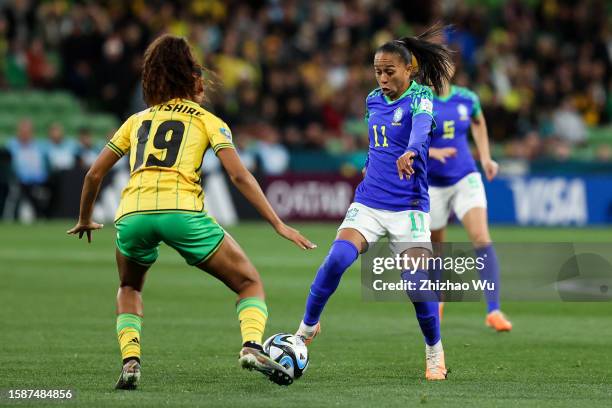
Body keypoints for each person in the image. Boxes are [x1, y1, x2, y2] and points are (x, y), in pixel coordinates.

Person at [67, 34, 315, 389]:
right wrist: (277, 223)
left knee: (128, 286)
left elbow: (94, 173)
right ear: (192, 78)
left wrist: (84, 217)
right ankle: (250, 346)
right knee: (248, 283)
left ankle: (131, 361)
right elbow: (238, 175)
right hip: (181, 212)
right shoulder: (207, 120)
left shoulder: (137, 120)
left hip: (133, 214)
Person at [295, 25, 453, 381]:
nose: (382, 78)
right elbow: (378, 143)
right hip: (369, 201)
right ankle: (306, 329)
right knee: (336, 259)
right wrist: (369, 164)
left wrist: (412, 151)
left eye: (389, 71)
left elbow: (420, 129)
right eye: (377, 71)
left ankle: (434, 353)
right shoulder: (371, 100)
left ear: (409, 69)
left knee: (416, 283)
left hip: (409, 205)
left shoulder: (421, 97)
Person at [427, 75, 512, 332]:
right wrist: (432, 152)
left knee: (481, 238)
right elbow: (404, 139)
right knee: (435, 246)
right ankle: (437, 303)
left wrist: (486, 158)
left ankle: (493, 310)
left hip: (466, 176)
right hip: (432, 183)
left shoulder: (468, 98)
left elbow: (478, 121)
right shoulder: (420, 100)